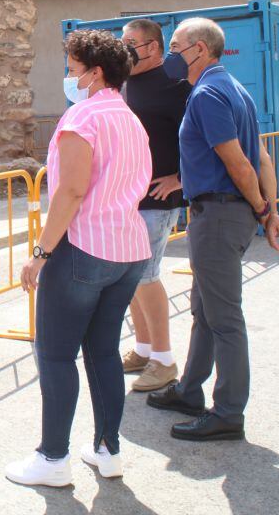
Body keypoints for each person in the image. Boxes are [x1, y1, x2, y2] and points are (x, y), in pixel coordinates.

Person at [5, 30, 152, 487]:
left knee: (54, 355)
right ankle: (108, 450)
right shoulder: (131, 119)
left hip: (84, 249)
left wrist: (39, 254)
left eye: (72, 69)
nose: (69, 77)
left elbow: (70, 191)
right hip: (128, 249)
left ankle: (52, 459)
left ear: (95, 72)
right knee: (103, 352)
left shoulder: (81, 119)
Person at [146, 18, 279, 442]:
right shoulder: (234, 88)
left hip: (220, 215)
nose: (170, 54)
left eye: (175, 46)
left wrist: (265, 210)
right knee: (204, 312)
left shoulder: (207, 94)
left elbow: (240, 163)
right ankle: (190, 391)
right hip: (222, 213)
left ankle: (227, 412)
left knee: (223, 318)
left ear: (201, 50)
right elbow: (262, 159)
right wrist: (270, 210)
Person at [119, 19, 192, 392]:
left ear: (154, 45)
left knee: (146, 276)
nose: (125, 48)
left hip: (157, 201)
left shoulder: (176, 85)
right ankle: (144, 348)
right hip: (130, 198)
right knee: (133, 278)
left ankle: (164, 360)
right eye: (123, 41)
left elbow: (198, 137)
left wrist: (180, 177)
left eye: (132, 42)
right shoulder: (126, 83)